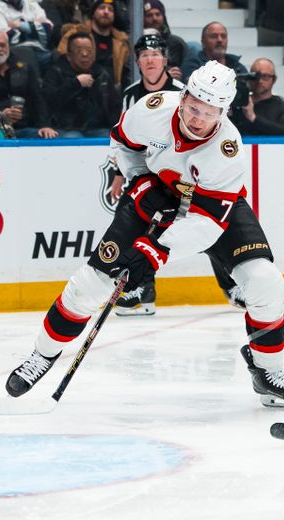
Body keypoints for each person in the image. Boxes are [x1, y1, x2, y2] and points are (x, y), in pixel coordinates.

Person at [4, 61, 284, 410]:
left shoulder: (228, 150)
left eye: (209, 113)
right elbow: (123, 143)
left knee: (265, 282)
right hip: (156, 191)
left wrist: (154, 251)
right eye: (193, 107)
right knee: (90, 283)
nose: (197, 118)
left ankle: (268, 373)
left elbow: (206, 224)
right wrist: (139, 181)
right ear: (182, 97)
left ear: (224, 114)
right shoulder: (152, 110)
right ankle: (42, 356)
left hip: (210, 208)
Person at [111, 32, 181, 315]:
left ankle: (232, 285)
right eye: (144, 56)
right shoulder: (131, 94)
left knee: (206, 224)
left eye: (155, 55)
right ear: (138, 62)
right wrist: (119, 171)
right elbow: (124, 138)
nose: (150, 59)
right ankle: (143, 290)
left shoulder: (182, 90)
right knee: (132, 223)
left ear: (164, 60)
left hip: (176, 172)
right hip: (145, 173)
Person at [0, 28, 57, 138]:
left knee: (48, 137)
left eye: (2, 45)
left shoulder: (24, 69)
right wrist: (0, 116)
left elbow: (38, 99)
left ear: (8, 47)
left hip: (26, 127)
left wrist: (45, 125)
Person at [43, 31, 121, 138]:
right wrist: (75, 84)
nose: (85, 54)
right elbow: (48, 101)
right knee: (73, 138)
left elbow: (114, 106)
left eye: (89, 51)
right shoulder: (56, 72)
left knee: (111, 137)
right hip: (66, 128)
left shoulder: (101, 74)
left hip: (97, 128)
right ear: (69, 56)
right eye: (79, 51)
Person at [58, 0, 131, 90]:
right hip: (79, 89)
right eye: (101, 8)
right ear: (93, 13)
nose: (106, 12)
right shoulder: (75, 34)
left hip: (110, 94)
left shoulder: (121, 44)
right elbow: (61, 60)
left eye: (110, 9)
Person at [231, 58, 284, 136]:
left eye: (265, 76)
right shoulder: (239, 106)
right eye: (255, 76)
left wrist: (253, 118)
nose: (260, 81)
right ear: (249, 78)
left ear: (274, 80)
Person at [0, 0, 54, 71]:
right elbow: (7, 36)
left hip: (41, 49)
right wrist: (35, 28)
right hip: (17, 51)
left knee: (58, 57)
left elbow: (47, 29)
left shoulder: (31, 4)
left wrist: (20, 25)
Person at [181, 21, 248, 81]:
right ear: (203, 41)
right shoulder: (193, 63)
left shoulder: (237, 66)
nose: (220, 40)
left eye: (223, 36)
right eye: (214, 36)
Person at [142, 0, 186, 81]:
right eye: (149, 15)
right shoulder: (138, 43)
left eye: (158, 14)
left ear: (163, 16)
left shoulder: (177, 43)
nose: (154, 18)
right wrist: (164, 76)